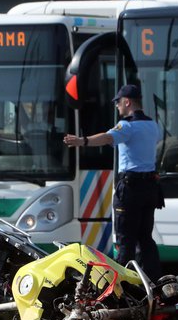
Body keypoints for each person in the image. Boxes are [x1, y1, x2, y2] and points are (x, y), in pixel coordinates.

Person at [63, 84, 164, 281]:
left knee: (125, 240)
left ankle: (120, 284)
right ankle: (153, 281)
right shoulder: (153, 125)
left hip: (131, 189)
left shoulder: (127, 126)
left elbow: (107, 138)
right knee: (145, 239)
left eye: (118, 102)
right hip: (150, 188)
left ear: (127, 102)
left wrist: (81, 141)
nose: (117, 106)